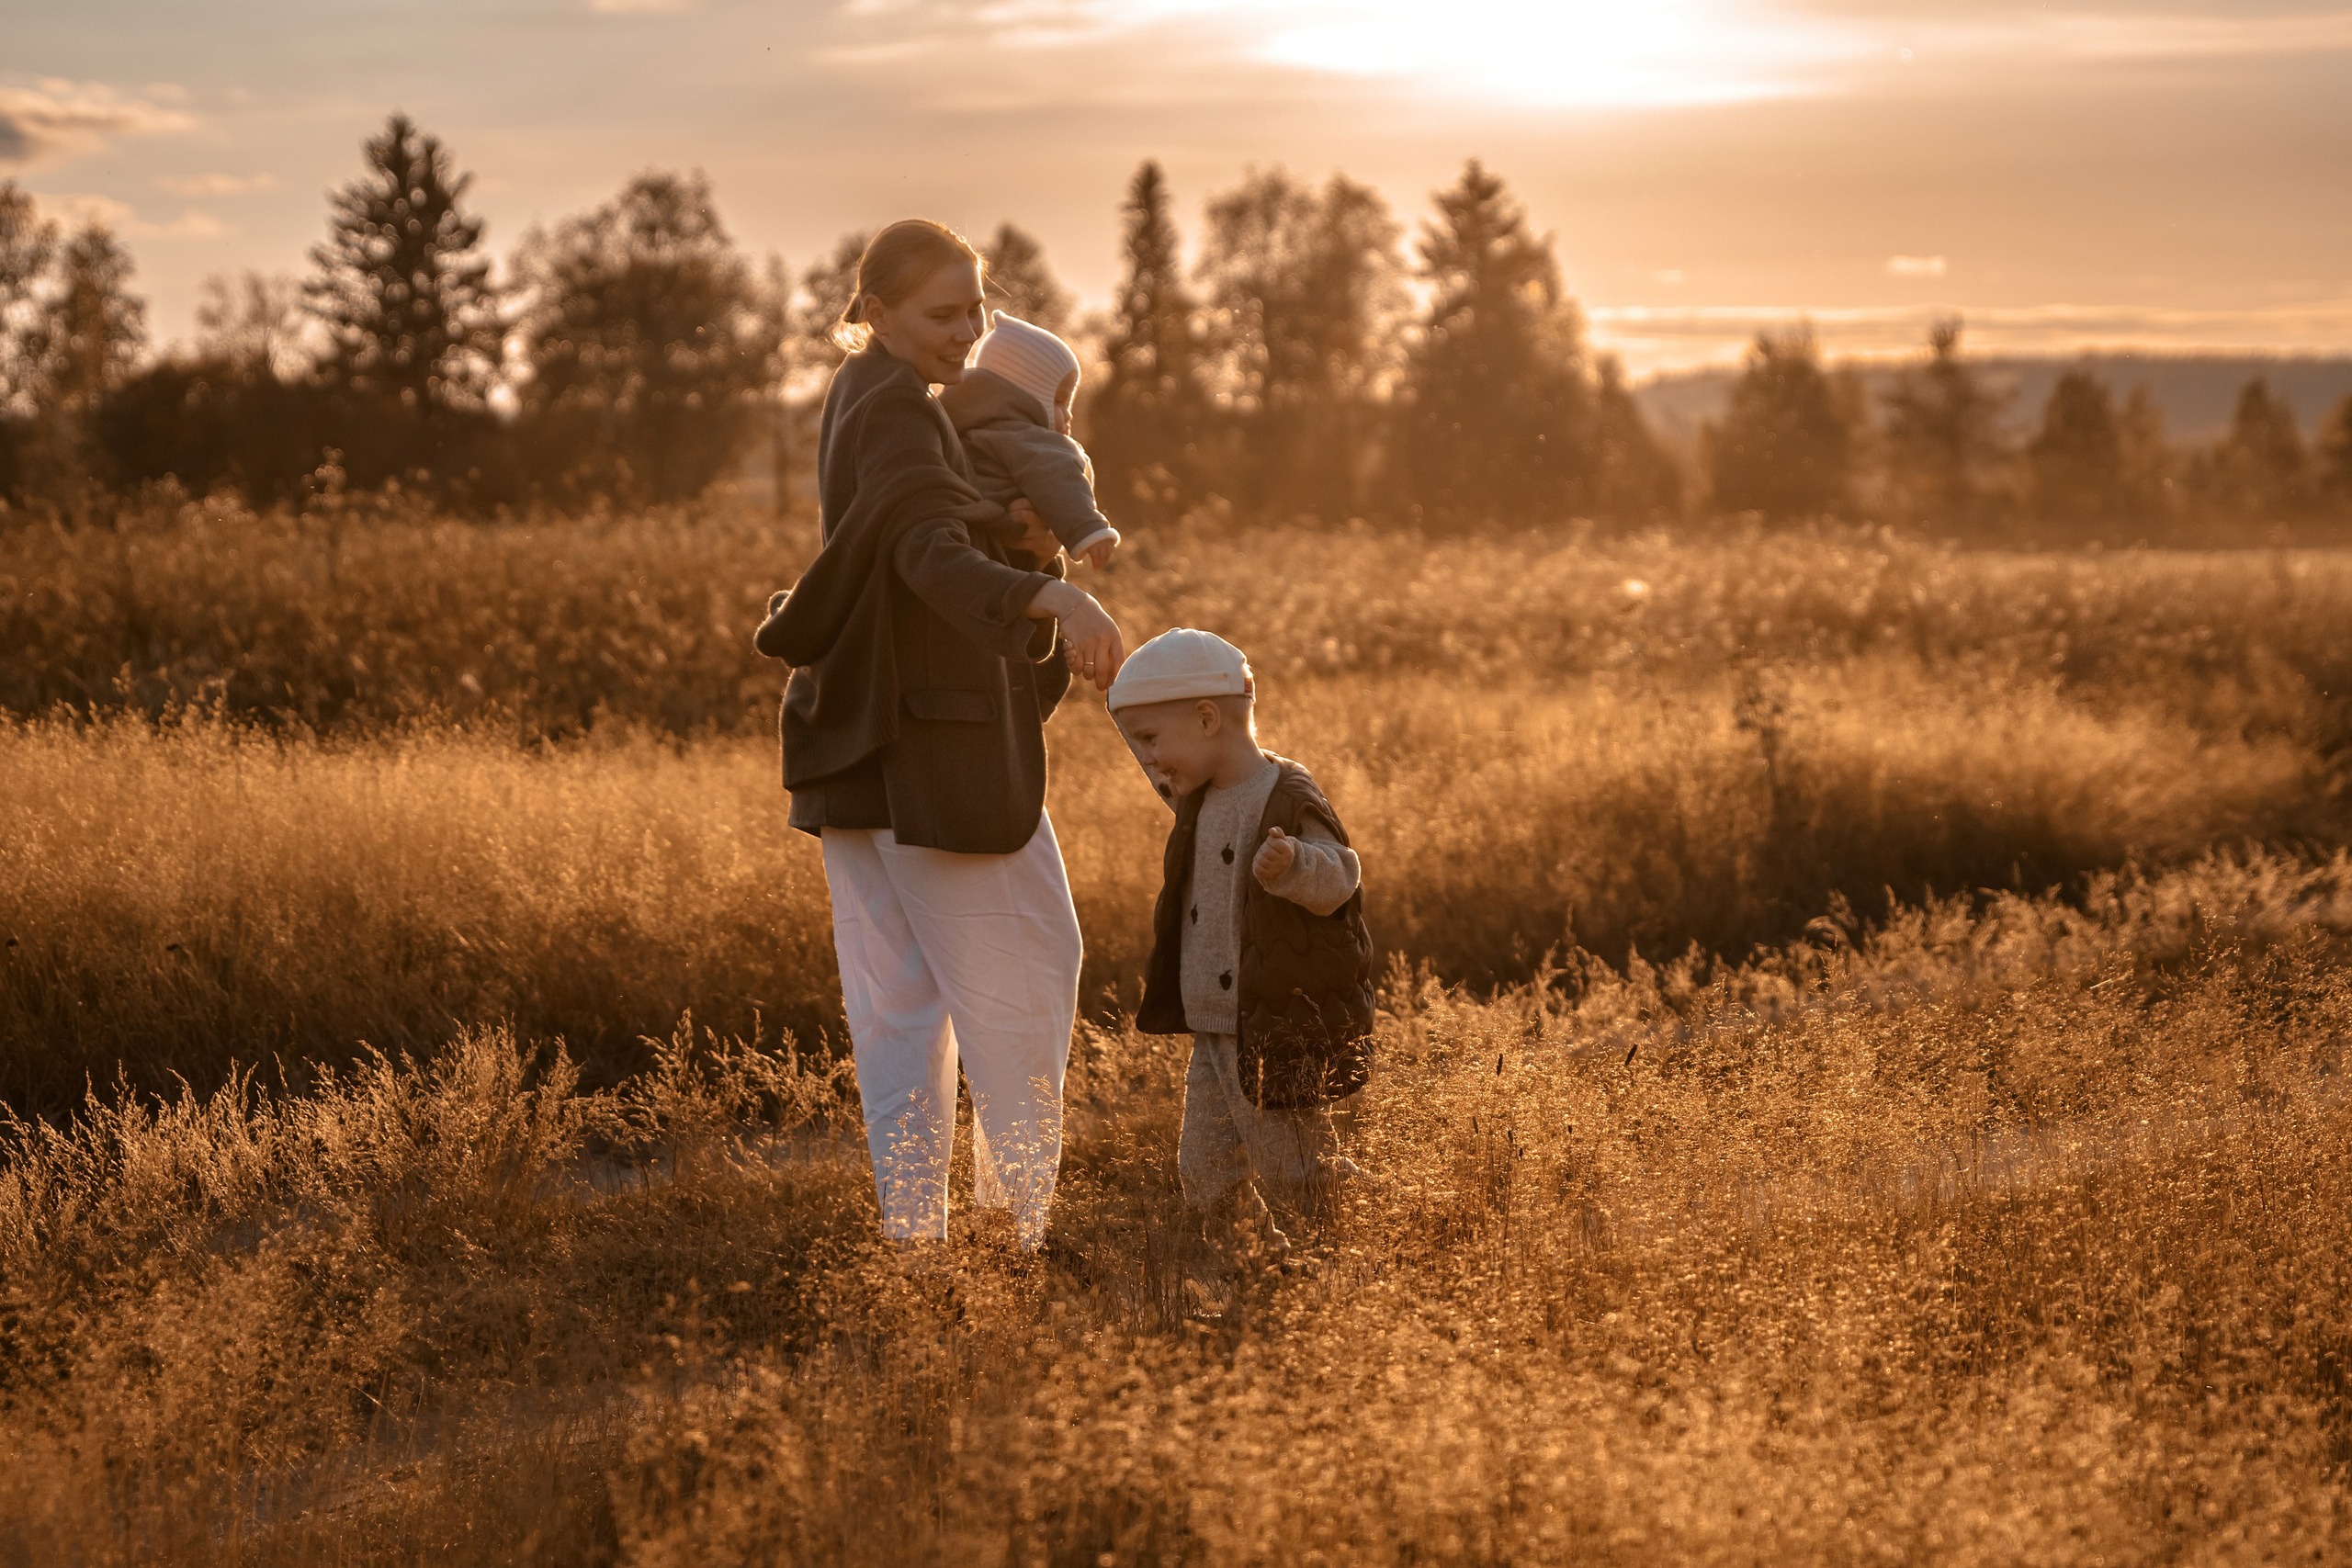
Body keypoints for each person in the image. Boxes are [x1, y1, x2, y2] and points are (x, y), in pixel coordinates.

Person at [754, 219, 1125, 1253]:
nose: (967, 332)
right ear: (872, 311)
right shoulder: (902, 419)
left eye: (975, 309)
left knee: (899, 1010)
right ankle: (1019, 1232)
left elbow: (918, 548)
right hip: (929, 757)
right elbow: (926, 558)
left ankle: (915, 1241)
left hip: (856, 753)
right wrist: (1056, 595)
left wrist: (1009, 532)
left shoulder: (860, 400)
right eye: (941, 314)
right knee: (1028, 973)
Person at [1106, 628, 1374, 1282]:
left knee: (1294, 1165)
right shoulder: (1191, 795)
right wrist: (1124, 702)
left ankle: (1355, 1244)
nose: (1147, 760)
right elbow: (1163, 762)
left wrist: (1291, 866)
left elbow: (1341, 876)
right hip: (1210, 1026)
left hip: (1270, 1022)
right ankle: (1263, 1266)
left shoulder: (1286, 795)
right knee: (1203, 1166)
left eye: (1150, 740)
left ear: (1206, 718)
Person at [936, 312, 1120, 570]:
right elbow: (1059, 473)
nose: (1068, 414)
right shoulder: (1029, 439)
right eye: (1058, 401)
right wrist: (1089, 528)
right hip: (1003, 552)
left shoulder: (959, 427)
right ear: (1027, 396)